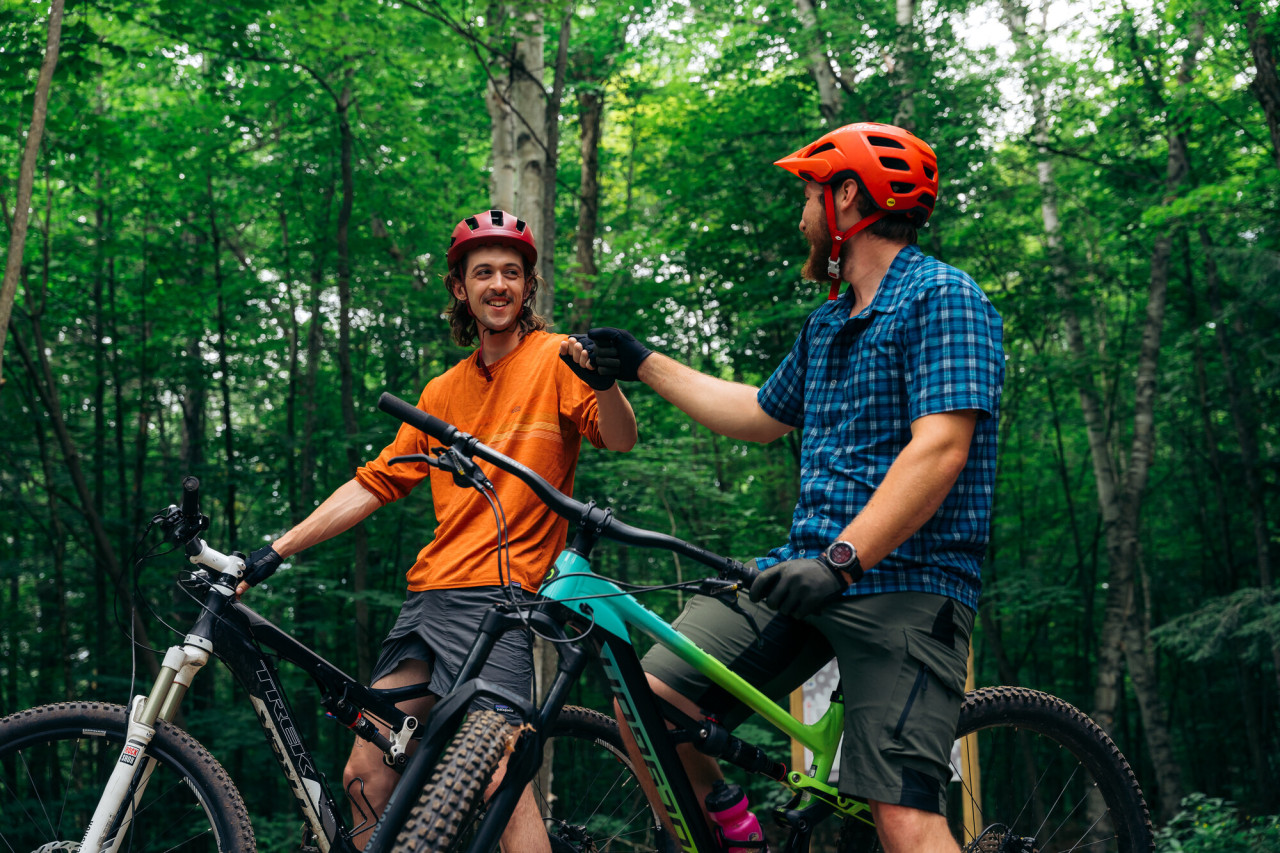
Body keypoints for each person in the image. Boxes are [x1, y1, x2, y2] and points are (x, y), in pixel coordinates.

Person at [562, 122, 1004, 853]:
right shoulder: (828, 324)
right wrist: (639, 361)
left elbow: (940, 448)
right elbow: (759, 414)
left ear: (849, 196)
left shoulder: (943, 298)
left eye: (809, 192)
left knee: (901, 810)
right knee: (650, 701)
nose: (801, 210)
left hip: (906, 584)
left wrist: (842, 559)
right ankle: (739, 841)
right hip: (803, 570)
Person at [239, 209, 638, 852]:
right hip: (427, 602)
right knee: (366, 773)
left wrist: (607, 384)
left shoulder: (557, 358)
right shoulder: (442, 391)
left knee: (498, 778)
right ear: (461, 287)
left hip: (501, 598)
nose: (499, 284)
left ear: (528, 285)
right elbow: (375, 482)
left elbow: (619, 438)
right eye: (484, 273)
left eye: (513, 272)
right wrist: (273, 551)